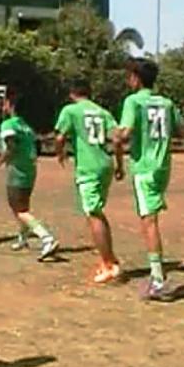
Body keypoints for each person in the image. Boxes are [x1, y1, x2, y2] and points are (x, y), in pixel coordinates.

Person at [114, 58, 184, 299]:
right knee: (150, 217)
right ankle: (157, 276)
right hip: (163, 166)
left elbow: (126, 132)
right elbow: (182, 129)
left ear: (136, 77)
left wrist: (115, 137)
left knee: (149, 221)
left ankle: (157, 278)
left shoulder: (133, 101)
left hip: (144, 167)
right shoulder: (166, 102)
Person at [55, 79, 123, 283]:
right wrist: (120, 164)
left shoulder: (71, 110)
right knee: (97, 210)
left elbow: (59, 137)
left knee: (93, 213)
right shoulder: (103, 112)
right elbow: (117, 139)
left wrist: (61, 153)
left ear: (72, 94)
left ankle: (108, 264)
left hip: (88, 167)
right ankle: (110, 258)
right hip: (105, 163)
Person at [0, 90, 59, 261]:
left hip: (17, 171)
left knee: (19, 209)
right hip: (29, 169)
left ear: (11, 105)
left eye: (6, 102)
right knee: (23, 206)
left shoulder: (9, 125)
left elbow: (11, 146)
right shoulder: (27, 126)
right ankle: (23, 238)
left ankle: (46, 237)